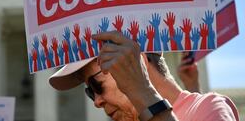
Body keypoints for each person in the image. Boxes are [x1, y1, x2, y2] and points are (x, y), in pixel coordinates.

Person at [49, 31, 239, 121]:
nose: (97, 101)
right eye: (90, 92)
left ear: (138, 64)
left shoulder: (210, 107)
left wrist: (141, 90)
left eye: (97, 85)